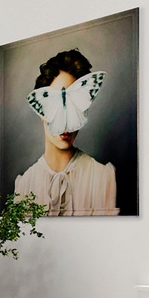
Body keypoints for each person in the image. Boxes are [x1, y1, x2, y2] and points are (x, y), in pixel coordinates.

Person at [14, 48, 118, 216]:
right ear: (41, 112)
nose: (65, 123)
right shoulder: (24, 184)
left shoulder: (103, 177)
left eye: (73, 106)